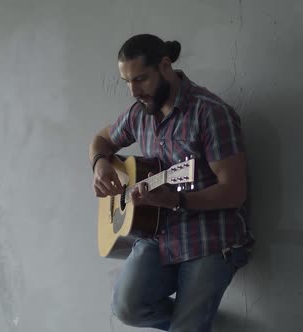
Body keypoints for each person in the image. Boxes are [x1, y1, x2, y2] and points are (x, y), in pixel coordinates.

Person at [88, 33, 254, 331]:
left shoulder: (211, 113)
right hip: (159, 233)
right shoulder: (139, 114)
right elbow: (101, 140)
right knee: (127, 307)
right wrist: (100, 164)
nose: (133, 91)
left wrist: (178, 200)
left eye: (140, 79)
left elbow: (235, 191)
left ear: (165, 66)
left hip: (210, 239)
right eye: (127, 81)